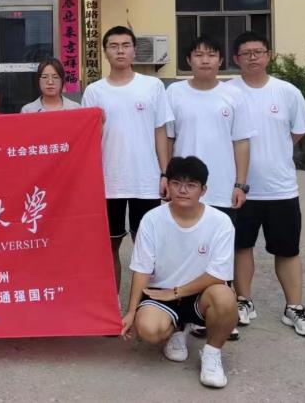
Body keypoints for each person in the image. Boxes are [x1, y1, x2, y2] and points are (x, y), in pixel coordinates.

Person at [229, 31, 305, 337]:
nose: (253, 57)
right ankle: (244, 301)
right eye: (246, 53)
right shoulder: (228, 92)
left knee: (288, 249)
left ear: (269, 56)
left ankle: (294, 308)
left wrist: (274, 153)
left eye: (259, 51)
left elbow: (297, 131)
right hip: (240, 188)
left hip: (281, 187)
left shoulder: (287, 92)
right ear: (236, 59)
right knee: (241, 246)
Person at [121, 156, 238, 389]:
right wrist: (131, 311)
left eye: (191, 185)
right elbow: (142, 269)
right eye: (176, 183)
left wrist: (176, 292)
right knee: (148, 329)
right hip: (161, 293)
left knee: (226, 297)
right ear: (168, 185)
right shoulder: (152, 219)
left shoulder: (221, 222)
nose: (182, 190)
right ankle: (178, 329)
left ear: (203, 190)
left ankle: (212, 354)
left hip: (200, 294)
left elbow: (218, 275)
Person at [166, 35, 255, 339]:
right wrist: (166, 177)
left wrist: (240, 183)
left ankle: (220, 313)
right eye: (198, 54)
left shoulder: (233, 95)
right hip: (183, 189)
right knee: (185, 250)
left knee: (219, 253)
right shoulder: (175, 92)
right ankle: (187, 313)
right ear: (188, 60)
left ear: (221, 60)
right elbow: (168, 138)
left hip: (221, 189)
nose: (205, 60)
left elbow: (241, 142)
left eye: (211, 54)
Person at [81, 26, 173, 292]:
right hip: (108, 181)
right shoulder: (94, 92)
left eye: (125, 45)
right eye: (113, 46)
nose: (120, 51)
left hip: (146, 180)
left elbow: (160, 132)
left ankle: (149, 303)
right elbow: (88, 139)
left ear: (134, 50)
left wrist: (165, 173)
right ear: (105, 52)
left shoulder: (152, 86)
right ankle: (111, 302)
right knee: (109, 245)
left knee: (147, 246)